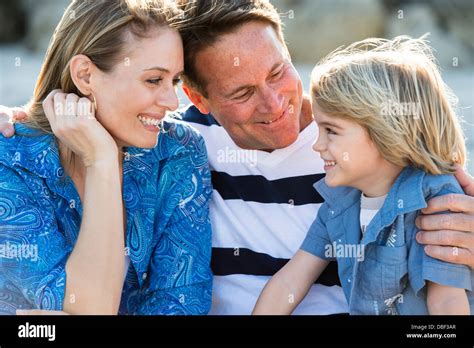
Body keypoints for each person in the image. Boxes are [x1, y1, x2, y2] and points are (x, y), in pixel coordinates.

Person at [1, 0, 473, 315]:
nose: (274, 104)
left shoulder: (371, 147)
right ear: (199, 99)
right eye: (242, 92)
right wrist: (29, 126)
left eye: (279, 72)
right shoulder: (185, 141)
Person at [0, 0, 213, 315]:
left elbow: (182, 305)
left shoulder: (178, 152)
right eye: (154, 80)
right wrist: (101, 161)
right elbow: (88, 308)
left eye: (175, 81)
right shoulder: (12, 163)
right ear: (85, 76)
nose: (171, 101)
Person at [253, 36, 473, 315]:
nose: (317, 145)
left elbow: (446, 302)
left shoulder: (434, 201)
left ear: (387, 132)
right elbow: (289, 282)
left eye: (331, 131)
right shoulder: (338, 204)